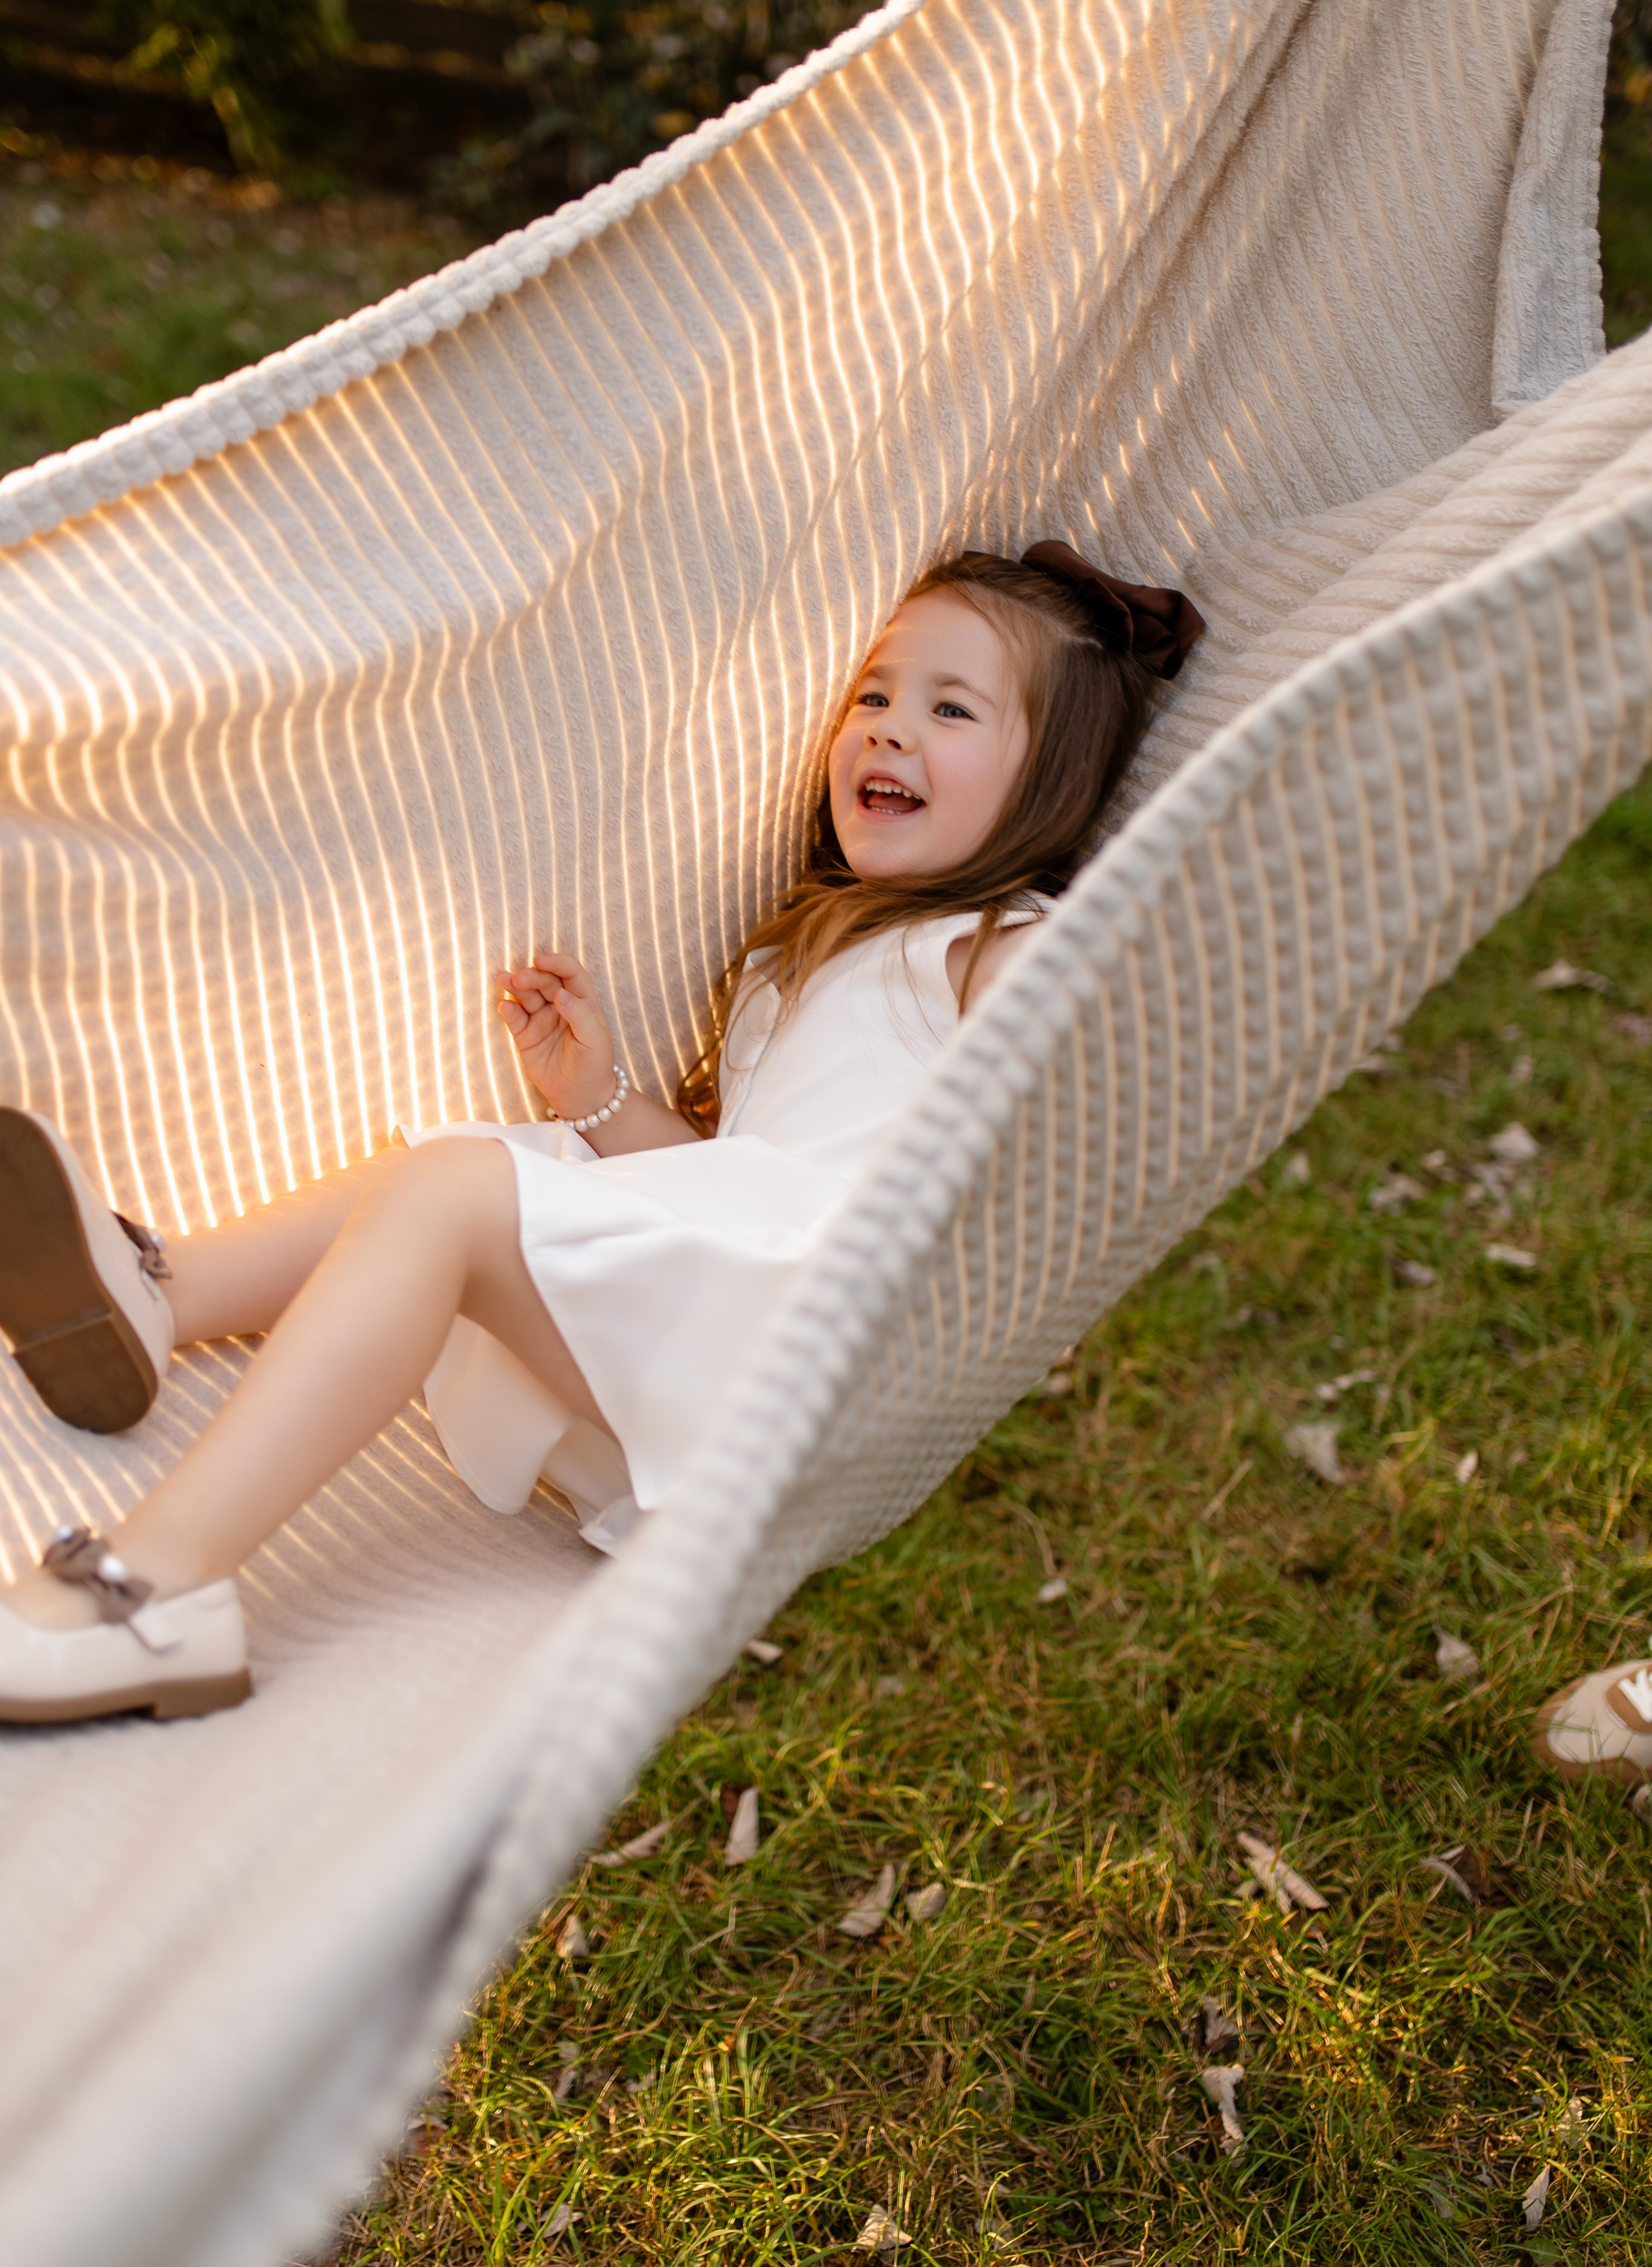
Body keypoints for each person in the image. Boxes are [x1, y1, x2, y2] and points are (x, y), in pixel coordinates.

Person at [0, 544, 1199, 1725]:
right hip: (710, 1356)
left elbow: (1083, 1062)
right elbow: (737, 1188)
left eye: (951, 709)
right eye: (875, 694)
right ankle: (164, 1294)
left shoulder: (1001, 945)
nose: (888, 728)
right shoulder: (808, 950)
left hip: (807, 1380)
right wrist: (598, 1102)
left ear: (1047, 784)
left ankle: (156, 1596)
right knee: (469, 1160)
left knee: (458, 1191)